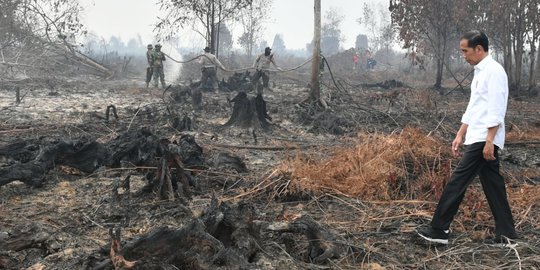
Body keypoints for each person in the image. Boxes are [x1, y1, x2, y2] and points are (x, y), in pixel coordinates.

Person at [416, 30, 517, 245]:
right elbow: (474, 107)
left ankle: (439, 229)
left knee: (458, 180)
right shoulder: (480, 72)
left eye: (465, 51)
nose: (463, 55)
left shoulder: (494, 71)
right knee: (492, 184)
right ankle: (507, 233)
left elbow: (497, 109)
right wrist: (460, 133)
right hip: (476, 134)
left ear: (479, 49)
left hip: (484, 137)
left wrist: (490, 140)